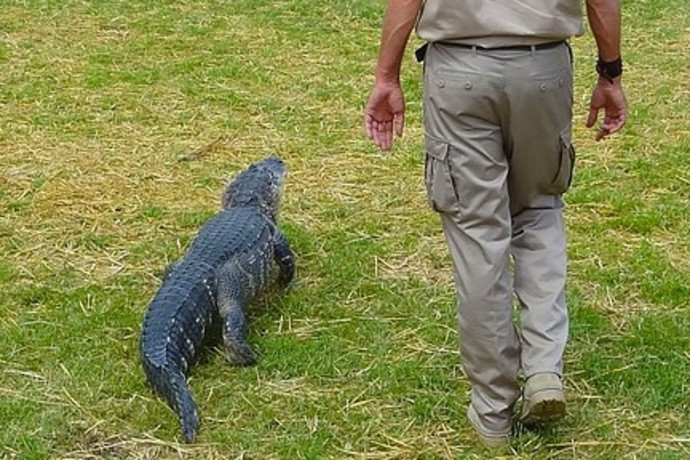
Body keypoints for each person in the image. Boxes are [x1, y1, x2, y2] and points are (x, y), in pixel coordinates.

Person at [364, 0, 627, 447]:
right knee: (540, 211)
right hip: (542, 69)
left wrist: (387, 76)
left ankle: (492, 411)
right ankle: (544, 368)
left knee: (478, 237)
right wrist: (610, 72)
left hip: (458, 71)